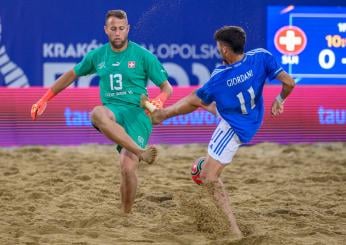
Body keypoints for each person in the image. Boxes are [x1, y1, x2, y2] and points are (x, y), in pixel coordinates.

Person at [150, 26, 295, 236]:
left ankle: (234, 230)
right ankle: (202, 152)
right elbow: (289, 83)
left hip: (235, 126)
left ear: (226, 50)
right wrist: (279, 100)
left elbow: (193, 100)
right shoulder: (261, 56)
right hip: (253, 116)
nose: (218, 50)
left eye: (219, 47)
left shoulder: (221, 76)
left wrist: (165, 113)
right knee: (211, 103)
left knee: (208, 176)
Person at [31, 10, 173, 213]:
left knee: (127, 168)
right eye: (113, 29)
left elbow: (167, 88)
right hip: (113, 111)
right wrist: (44, 99)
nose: (118, 33)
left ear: (128, 29)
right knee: (97, 113)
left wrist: (160, 99)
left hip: (137, 114)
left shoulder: (143, 56)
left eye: (121, 28)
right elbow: (71, 75)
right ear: (106, 30)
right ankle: (140, 151)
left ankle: (126, 213)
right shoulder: (97, 56)